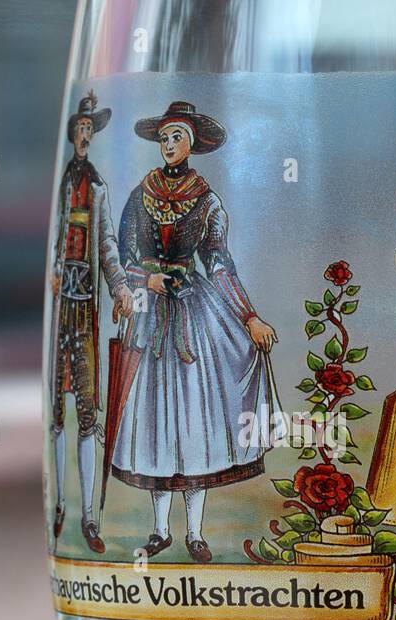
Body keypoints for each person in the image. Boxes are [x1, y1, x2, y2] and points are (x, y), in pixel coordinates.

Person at [111, 101, 280, 564]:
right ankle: (159, 530)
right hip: (150, 315)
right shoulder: (139, 195)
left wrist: (249, 317)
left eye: (177, 137)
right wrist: (147, 280)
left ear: (192, 145)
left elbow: (221, 265)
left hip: (193, 316)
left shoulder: (207, 201)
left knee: (192, 418)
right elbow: (123, 256)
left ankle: (196, 532)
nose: (169, 145)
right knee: (155, 418)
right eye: (164, 138)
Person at [49, 90, 133, 552]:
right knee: (56, 413)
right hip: (60, 306)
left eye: (89, 131)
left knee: (86, 410)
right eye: (78, 130)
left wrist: (120, 288)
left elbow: (107, 247)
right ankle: (58, 504)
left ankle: (89, 518)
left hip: (85, 310)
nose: (84, 137)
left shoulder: (97, 187)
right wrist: (53, 273)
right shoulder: (61, 184)